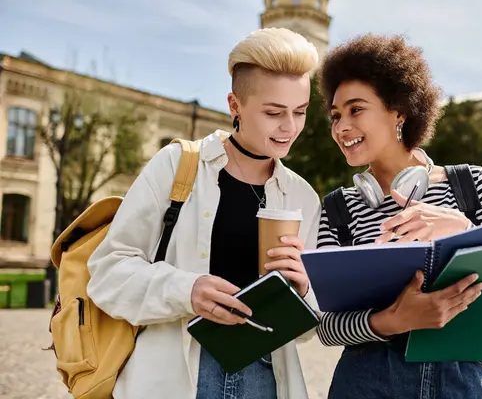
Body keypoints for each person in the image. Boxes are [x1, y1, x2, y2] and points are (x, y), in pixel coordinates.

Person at [87, 28, 322, 399]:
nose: (290, 127)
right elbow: (107, 272)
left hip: (267, 381)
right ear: (235, 105)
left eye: (300, 111)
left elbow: (309, 329)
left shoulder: (304, 197)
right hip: (175, 379)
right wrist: (188, 290)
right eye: (274, 112)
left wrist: (304, 288)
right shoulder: (178, 165)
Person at [315, 34, 482, 398]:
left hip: (462, 380)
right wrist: (393, 320)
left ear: (398, 112)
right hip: (365, 383)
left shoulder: (471, 184)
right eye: (336, 115)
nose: (341, 127)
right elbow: (327, 327)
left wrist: (465, 229)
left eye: (357, 110)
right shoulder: (337, 209)